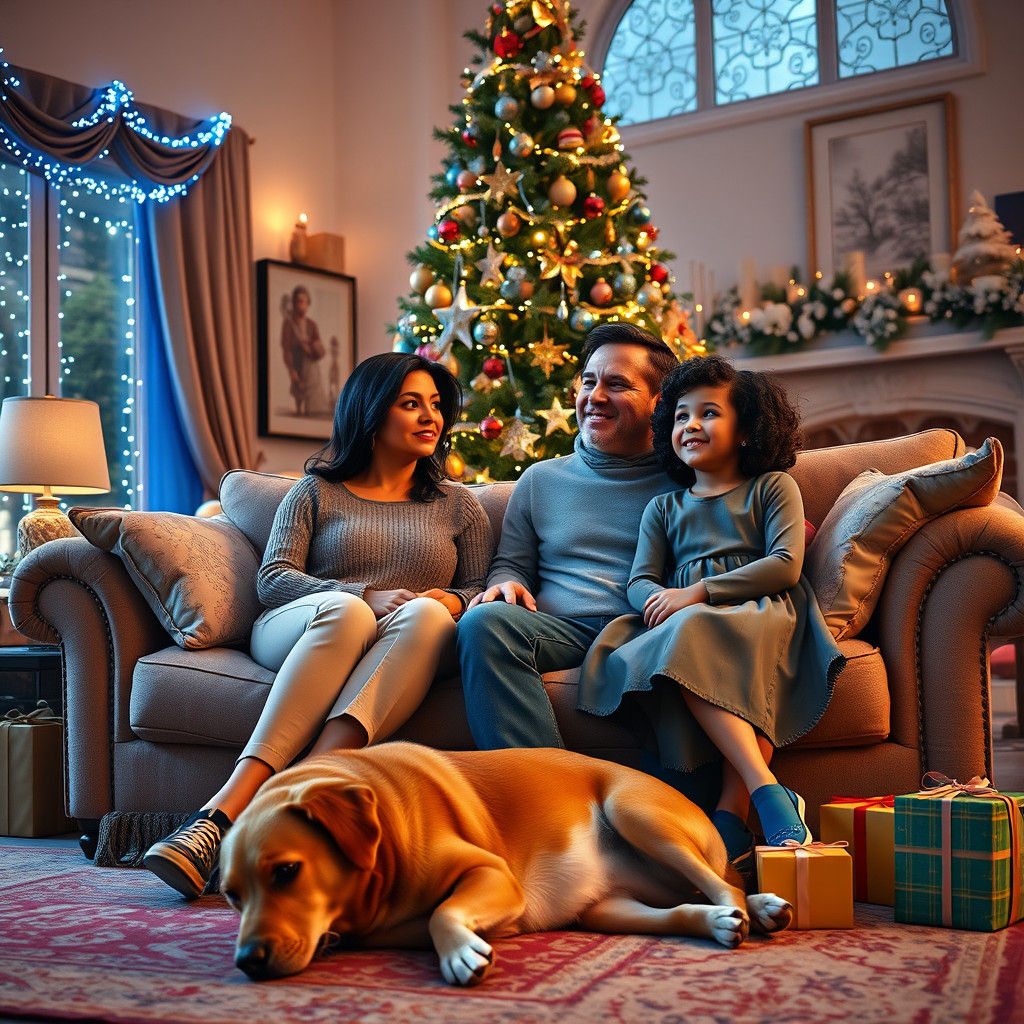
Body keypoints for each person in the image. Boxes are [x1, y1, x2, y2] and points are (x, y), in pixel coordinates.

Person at [144, 352, 493, 898]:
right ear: (371, 413)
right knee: (350, 612)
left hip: (408, 641)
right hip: (307, 626)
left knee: (427, 611)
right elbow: (274, 578)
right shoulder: (314, 491)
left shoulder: (459, 506)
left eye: (435, 406)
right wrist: (365, 596)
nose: (431, 417)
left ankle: (260, 803)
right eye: (410, 404)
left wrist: (449, 600)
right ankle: (234, 802)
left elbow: (480, 588)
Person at [579, 354, 845, 859]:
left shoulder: (772, 487)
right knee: (686, 635)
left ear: (746, 429)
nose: (691, 425)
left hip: (760, 607)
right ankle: (746, 808)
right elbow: (639, 579)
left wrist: (696, 594)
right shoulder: (664, 506)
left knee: (700, 633)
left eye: (708, 413)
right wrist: (659, 600)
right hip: (684, 616)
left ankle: (746, 799)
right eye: (680, 416)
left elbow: (786, 564)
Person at [456, 322, 678, 752]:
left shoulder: (689, 479)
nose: (594, 397)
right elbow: (513, 563)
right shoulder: (540, 479)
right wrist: (507, 582)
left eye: (616, 385)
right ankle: (544, 790)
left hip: (648, 629)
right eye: (588, 382)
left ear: (660, 402)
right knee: (485, 621)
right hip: (562, 629)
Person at [281, 285, 329, 416]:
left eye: (304, 302)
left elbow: (319, 347)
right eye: (299, 301)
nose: (302, 305)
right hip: (297, 364)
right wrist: (292, 370)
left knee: (311, 396)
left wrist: (310, 346)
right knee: (299, 393)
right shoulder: (289, 324)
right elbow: (286, 348)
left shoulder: (311, 325)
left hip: (311, 366)